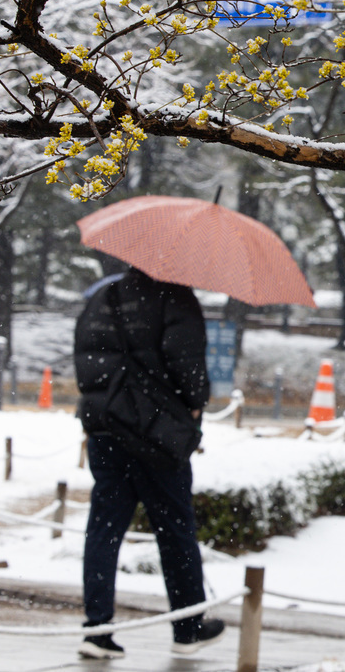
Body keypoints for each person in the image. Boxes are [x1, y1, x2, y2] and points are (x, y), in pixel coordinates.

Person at [73, 267, 224, 659]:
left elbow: (86, 361)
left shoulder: (101, 299)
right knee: (175, 528)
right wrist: (194, 404)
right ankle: (188, 626)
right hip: (155, 432)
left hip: (106, 427)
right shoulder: (176, 298)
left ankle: (98, 628)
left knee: (104, 530)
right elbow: (187, 362)